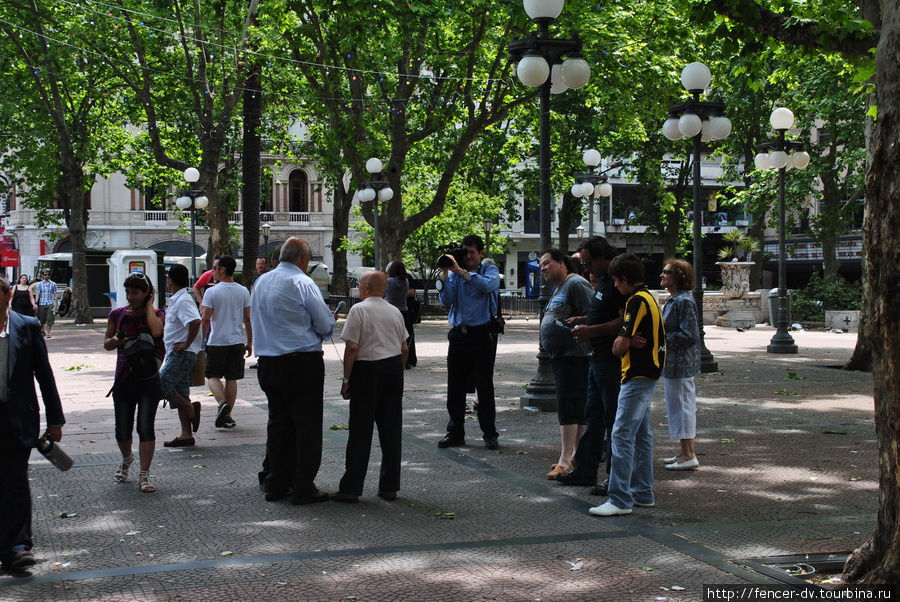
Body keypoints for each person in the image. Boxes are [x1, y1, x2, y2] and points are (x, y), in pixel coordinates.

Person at [250, 238, 334, 505]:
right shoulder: (302, 282)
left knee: (279, 424)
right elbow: (324, 323)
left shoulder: (262, 281)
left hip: (269, 362)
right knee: (306, 426)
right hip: (301, 362)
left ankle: (277, 482)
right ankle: (303, 485)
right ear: (303, 259)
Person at [589, 253, 665, 517]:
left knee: (620, 434)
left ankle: (620, 498)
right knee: (642, 435)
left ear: (624, 280)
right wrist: (627, 340)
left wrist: (624, 341)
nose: (616, 287)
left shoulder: (635, 302)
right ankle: (643, 492)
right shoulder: (651, 299)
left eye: (617, 282)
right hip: (649, 373)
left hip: (636, 374)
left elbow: (618, 346)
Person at [0, 277, 65, 571]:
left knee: (15, 480)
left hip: (17, 418)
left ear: (8, 295)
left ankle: (17, 546)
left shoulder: (26, 325)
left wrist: (55, 419)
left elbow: (45, 375)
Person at [331, 271, 409, 503]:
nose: (357, 287)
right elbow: (404, 348)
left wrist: (346, 380)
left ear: (366, 287)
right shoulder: (394, 311)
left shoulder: (359, 310)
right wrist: (398, 371)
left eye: (358, 284)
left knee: (360, 431)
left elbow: (352, 348)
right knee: (391, 430)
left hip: (367, 371)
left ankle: (352, 488)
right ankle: (389, 486)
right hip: (393, 368)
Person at [556, 236, 625, 495]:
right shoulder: (605, 281)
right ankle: (585, 470)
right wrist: (584, 319)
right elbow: (604, 314)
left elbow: (622, 321)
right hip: (597, 358)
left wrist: (590, 330)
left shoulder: (617, 281)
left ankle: (612, 477)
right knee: (593, 415)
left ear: (601, 258)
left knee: (610, 418)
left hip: (610, 359)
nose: (586, 270)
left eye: (588, 263)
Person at [436, 234, 500, 450]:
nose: (468, 256)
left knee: (484, 386)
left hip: (481, 335)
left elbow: (487, 286)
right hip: (458, 335)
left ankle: (489, 433)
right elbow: (447, 301)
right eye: (465, 252)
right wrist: (445, 274)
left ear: (480, 253)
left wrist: (462, 272)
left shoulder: (488, 270)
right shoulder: (455, 274)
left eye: (472, 252)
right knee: (455, 387)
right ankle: (455, 432)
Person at [103, 273, 165, 493]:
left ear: (146, 293)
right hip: (124, 380)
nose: (130, 297)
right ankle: (127, 458)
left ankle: (144, 474)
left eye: (135, 293)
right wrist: (115, 341)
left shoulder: (157, 314)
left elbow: (157, 331)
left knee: (145, 427)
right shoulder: (117, 314)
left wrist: (149, 306)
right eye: (128, 292)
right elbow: (107, 343)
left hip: (149, 380)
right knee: (123, 430)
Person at [538, 249, 595, 479]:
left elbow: (593, 314)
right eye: (540, 265)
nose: (543, 268)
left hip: (575, 356)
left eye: (547, 263)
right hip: (563, 357)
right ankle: (573, 456)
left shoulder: (576, 284)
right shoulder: (560, 287)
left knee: (569, 406)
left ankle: (566, 458)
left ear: (562, 263)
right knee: (572, 406)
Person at [200, 256, 251, 429]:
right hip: (236, 341)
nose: (212, 271)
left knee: (212, 376)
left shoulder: (211, 292)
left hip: (216, 341)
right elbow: (247, 319)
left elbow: (206, 319)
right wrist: (249, 342)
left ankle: (222, 403)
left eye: (214, 268)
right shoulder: (243, 291)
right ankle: (227, 416)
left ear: (222, 270)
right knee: (232, 378)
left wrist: (201, 341)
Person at [659, 258, 701, 470]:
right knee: (677, 407)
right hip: (673, 363)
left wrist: (660, 338)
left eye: (667, 272)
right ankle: (684, 452)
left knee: (683, 407)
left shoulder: (683, 301)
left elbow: (690, 334)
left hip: (682, 364)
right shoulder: (674, 299)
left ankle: (689, 455)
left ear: (678, 277)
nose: (662, 275)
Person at [160, 264, 202, 447]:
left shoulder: (183, 300)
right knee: (181, 391)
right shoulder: (177, 299)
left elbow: (195, 321)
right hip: (176, 352)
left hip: (181, 353)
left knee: (161, 382)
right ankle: (186, 434)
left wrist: (186, 343)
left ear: (170, 280)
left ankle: (189, 408)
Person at [385, 261, 417, 369]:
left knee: (392, 337)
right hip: (404, 310)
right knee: (405, 337)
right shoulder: (406, 281)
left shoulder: (389, 281)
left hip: (391, 310)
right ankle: (408, 360)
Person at [35, 271, 58, 338]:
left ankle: (48, 332)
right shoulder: (40, 284)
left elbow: (55, 294)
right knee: (42, 319)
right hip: (42, 303)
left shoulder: (53, 284)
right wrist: (36, 303)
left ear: (49, 275)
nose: (46, 276)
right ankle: (42, 330)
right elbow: (38, 293)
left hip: (50, 303)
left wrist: (56, 304)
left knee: (50, 318)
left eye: (47, 274)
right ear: (43, 276)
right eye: (45, 275)